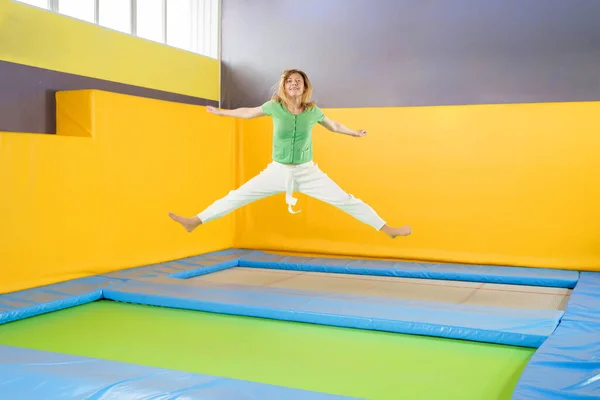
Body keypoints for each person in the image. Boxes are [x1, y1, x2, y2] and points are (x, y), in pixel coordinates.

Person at [169, 69, 412, 238]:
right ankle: (195, 221)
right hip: (277, 170)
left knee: (345, 200)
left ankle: (386, 228)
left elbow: (334, 126)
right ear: (284, 87)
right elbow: (248, 112)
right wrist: (224, 113)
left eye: (298, 81)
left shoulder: (312, 110)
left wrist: (354, 133)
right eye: (289, 81)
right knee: (237, 196)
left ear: (305, 86)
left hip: (307, 172)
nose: (294, 84)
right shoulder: (274, 107)